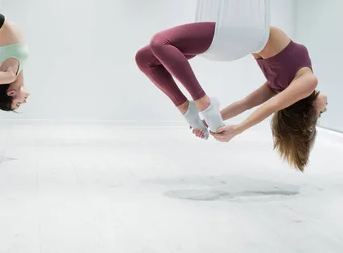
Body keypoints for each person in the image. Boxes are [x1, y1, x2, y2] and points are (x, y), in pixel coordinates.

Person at [135, 22, 328, 171]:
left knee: (158, 44)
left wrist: (235, 128)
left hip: (236, 36)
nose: (324, 108)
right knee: (144, 58)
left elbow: (265, 106)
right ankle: (189, 108)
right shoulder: (280, 85)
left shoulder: (308, 82)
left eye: (319, 115)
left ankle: (198, 103)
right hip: (238, 39)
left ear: (307, 111)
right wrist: (213, 122)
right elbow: (244, 104)